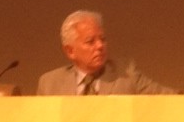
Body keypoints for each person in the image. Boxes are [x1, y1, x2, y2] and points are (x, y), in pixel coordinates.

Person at [37, 10, 176, 95]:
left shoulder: (127, 75)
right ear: (70, 51)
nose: (100, 46)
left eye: (102, 39)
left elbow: (172, 99)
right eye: (90, 42)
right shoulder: (49, 84)